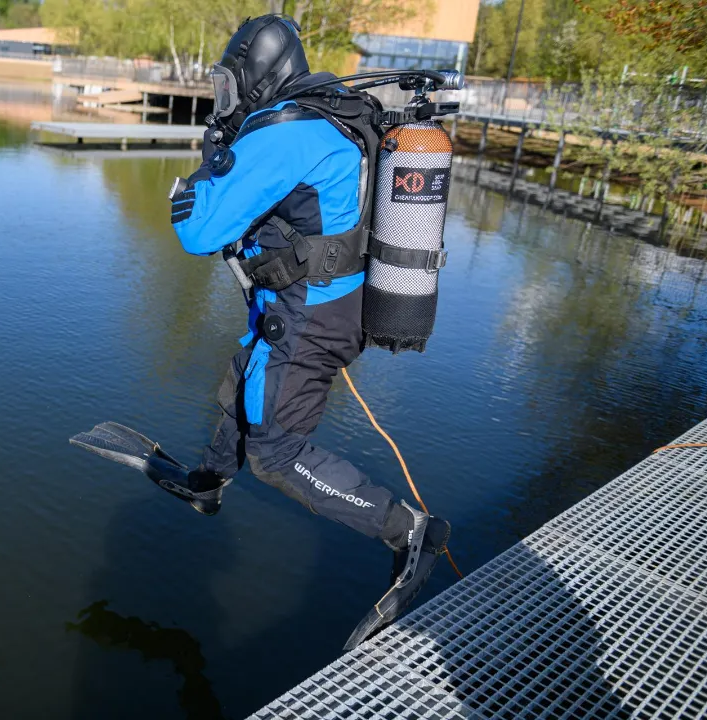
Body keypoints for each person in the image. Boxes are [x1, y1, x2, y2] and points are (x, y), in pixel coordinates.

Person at [72, 14, 450, 645]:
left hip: (314, 315)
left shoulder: (284, 134)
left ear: (257, 73)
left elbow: (197, 230)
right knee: (245, 377)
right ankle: (209, 482)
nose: (226, 98)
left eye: (229, 84)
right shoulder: (327, 113)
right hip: (320, 301)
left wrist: (201, 175)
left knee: (276, 449)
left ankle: (410, 532)